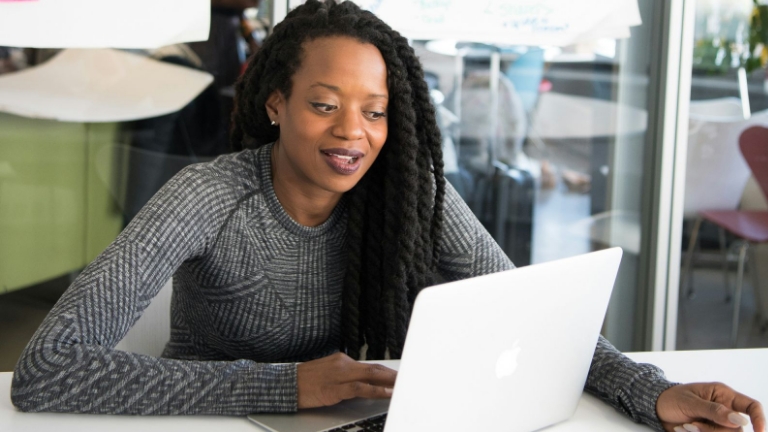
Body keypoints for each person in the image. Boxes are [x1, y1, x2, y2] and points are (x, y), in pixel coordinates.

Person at [10, 2, 764, 432]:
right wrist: (284, 387)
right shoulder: (210, 196)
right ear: (276, 104)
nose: (352, 131)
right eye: (323, 104)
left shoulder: (411, 193)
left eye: (374, 111)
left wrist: (650, 390)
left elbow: (539, 327)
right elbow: (47, 372)